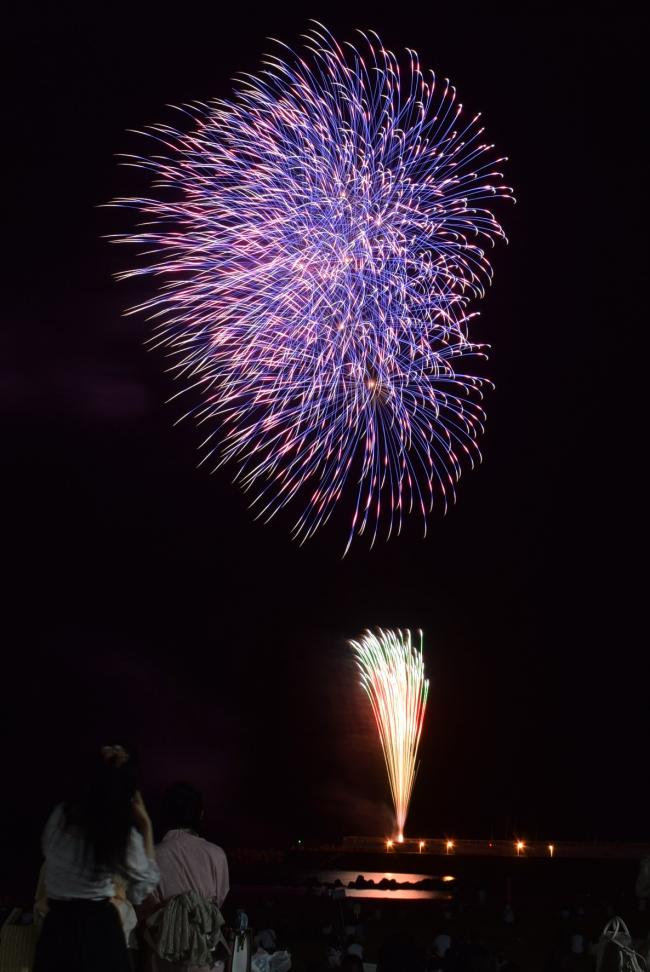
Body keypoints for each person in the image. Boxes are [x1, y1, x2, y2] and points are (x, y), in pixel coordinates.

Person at [34, 743, 159, 972]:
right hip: (100, 930)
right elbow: (141, 890)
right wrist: (146, 825)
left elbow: (49, 855)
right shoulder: (118, 830)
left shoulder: (60, 817)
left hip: (58, 927)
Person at [141, 781, 229, 972]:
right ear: (200, 814)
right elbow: (218, 902)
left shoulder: (151, 856)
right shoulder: (217, 854)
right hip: (205, 954)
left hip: (163, 953)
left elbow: (145, 906)